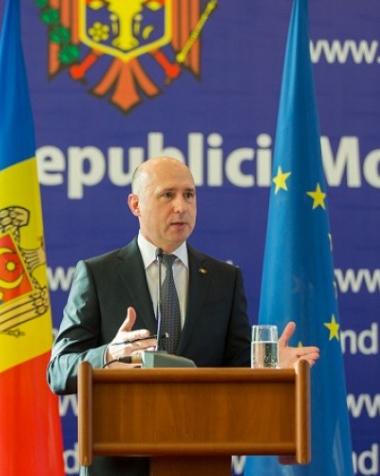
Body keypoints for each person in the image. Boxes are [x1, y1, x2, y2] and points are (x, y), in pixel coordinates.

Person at [47, 156, 319, 476]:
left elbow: (236, 366)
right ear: (135, 205)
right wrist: (107, 356)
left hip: (200, 459)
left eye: (188, 195)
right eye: (168, 195)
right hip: (119, 465)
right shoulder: (98, 275)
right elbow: (58, 370)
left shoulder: (224, 279)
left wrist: (270, 368)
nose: (181, 206)